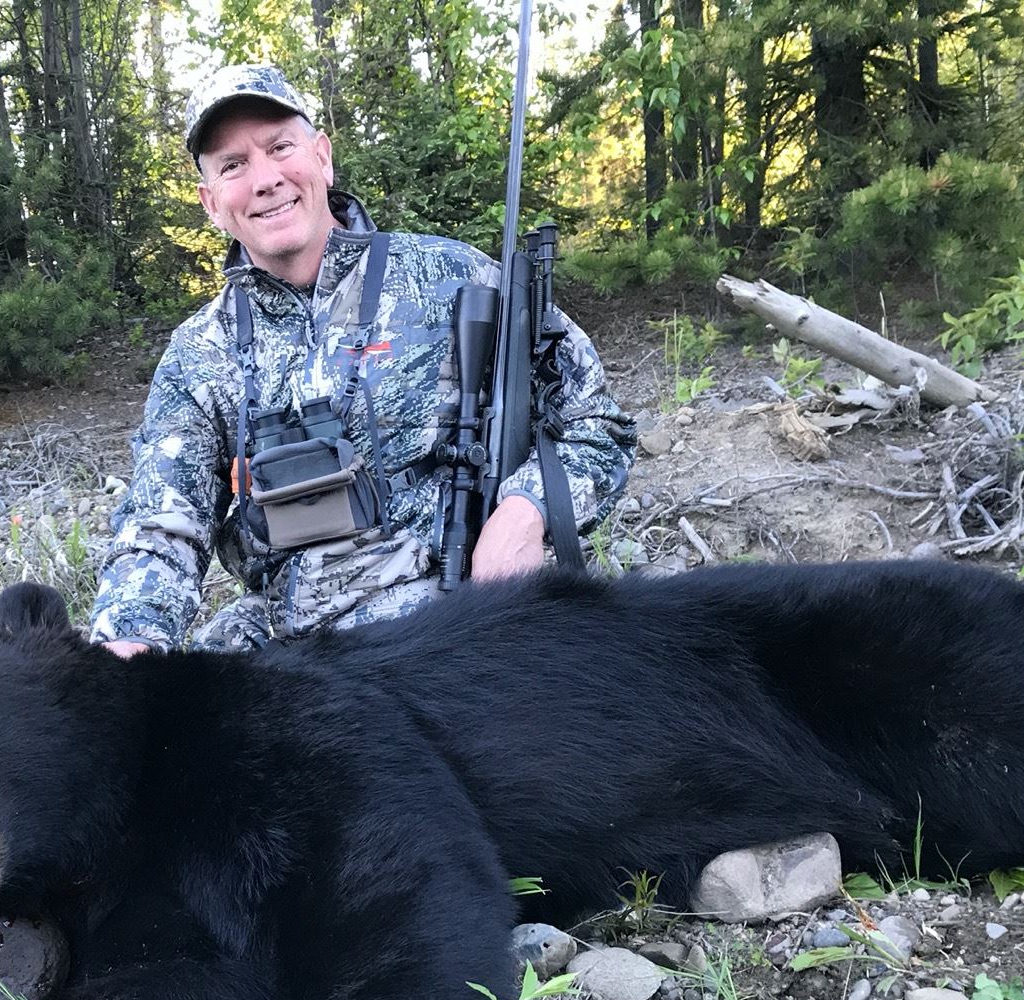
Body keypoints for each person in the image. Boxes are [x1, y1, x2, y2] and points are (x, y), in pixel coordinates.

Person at [88, 64, 637, 656]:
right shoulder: (199, 354)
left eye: (280, 147)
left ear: (322, 157)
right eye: (233, 165)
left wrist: (523, 512)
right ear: (211, 202)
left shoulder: (456, 280)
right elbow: (160, 529)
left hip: (457, 625)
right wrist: (128, 642)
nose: (266, 179)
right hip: (292, 653)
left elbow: (595, 425)